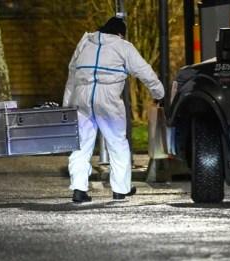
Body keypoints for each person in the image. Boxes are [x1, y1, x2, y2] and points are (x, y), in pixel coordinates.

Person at [63, 16, 165, 202]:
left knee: (81, 145)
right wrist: (159, 93)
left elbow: (72, 73)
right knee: (117, 144)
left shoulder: (85, 43)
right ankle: (120, 189)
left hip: (82, 98)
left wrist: (66, 105)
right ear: (120, 34)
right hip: (108, 99)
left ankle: (78, 189)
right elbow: (144, 71)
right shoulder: (123, 46)